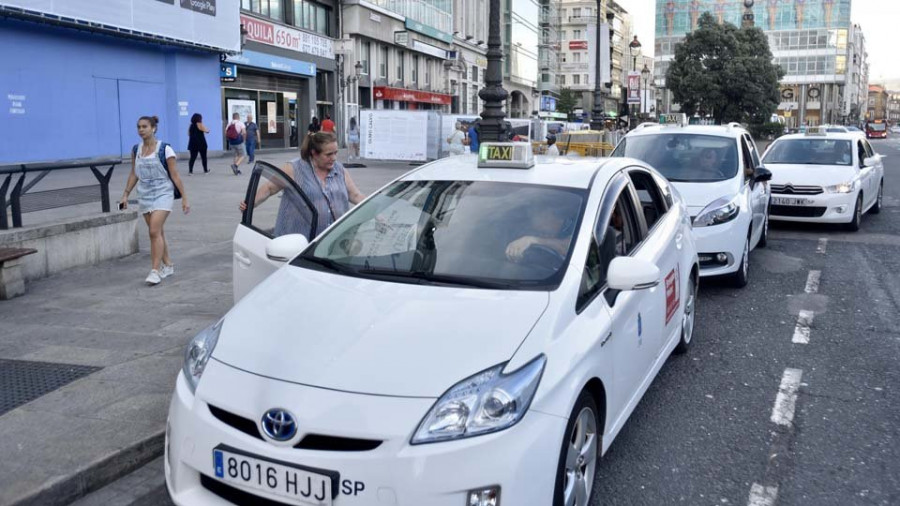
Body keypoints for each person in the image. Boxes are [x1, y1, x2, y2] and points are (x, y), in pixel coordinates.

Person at [239, 132, 365, 239]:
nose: (334, 158)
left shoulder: (339, 170)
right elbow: (269, 188)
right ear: (314, 153)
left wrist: (377, 210)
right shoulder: (294, 169)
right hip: (298, 243)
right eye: (328, 154)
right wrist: (250, 204)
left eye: (335, 153)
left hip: (330, 242)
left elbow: (355, 195)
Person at [120, 115, 189, 285]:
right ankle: (168, 265)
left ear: (153, 128)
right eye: (138, 127)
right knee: (158, 232)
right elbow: (134, 173)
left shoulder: (165, 149)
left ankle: (155, 270)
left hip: (163, 194)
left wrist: (184, 198)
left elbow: (175, 175)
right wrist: (125, 194)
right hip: (144, 195)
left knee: (153, 231)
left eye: (144, 126)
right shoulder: (136, 150)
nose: (141, 130)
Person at [505, 203, 574, 263]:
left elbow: (569, 248)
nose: (541, 235)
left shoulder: (576, 225)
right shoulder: (551, 234)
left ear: (548, 215)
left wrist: (532, 240)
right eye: (538, 232)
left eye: (541, 228)